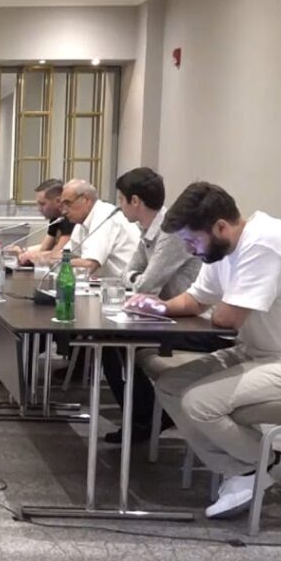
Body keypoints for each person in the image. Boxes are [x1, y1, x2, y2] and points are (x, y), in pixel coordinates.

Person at [129, 182, 281, 519]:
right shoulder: (220, 249)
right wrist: (158, 306)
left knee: (199, 404)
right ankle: (250, 467)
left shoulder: (264, 243)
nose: (189, 250)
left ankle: (260, 464)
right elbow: (196, 300)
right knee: (170, 385)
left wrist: (209, 306)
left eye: (192, 241)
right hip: (263, 352)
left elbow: (227, 318)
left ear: (220, 227)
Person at [100, 168, 216, 444]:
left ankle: (146, 420)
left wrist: (136, 280)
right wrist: (136, 280)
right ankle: (148, 416)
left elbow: (144, 285)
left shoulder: (171, 232)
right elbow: (129, 275)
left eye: (121, 199)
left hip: (194, 322)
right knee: (109, 344)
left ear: (135, 201)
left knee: (114, 343)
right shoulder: (147, 230)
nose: (119, 205)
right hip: (168, 316)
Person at [59, 178, 140, 278]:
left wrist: (59, 262)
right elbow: (66, 254)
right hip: (106, 283)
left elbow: (90, 265)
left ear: (86, 200)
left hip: (126, 284)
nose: (64, 211)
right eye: (62, 205)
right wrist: (49, 258)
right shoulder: (81, 223)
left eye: (68, 203)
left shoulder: (104, 215)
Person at [9, 178, 74, 266]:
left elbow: (60, 254)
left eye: (42, 204)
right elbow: (45, 248)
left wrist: (31, 255)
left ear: (58, 201)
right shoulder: (55, 218)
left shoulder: (70, 218)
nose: (39, 209)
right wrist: (22, 251)